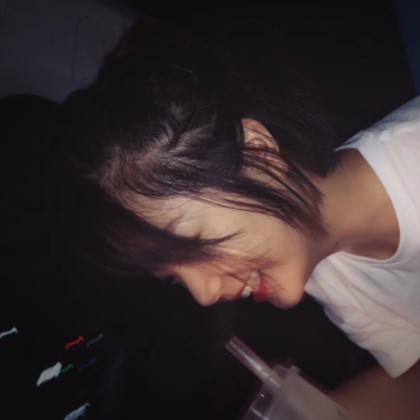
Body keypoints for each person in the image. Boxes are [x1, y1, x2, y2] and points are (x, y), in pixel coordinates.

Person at [50, 23, 420, 419]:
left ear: (260, 154)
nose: (204, 295)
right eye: (174, 278)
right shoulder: (329, 276)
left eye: (194, 246)